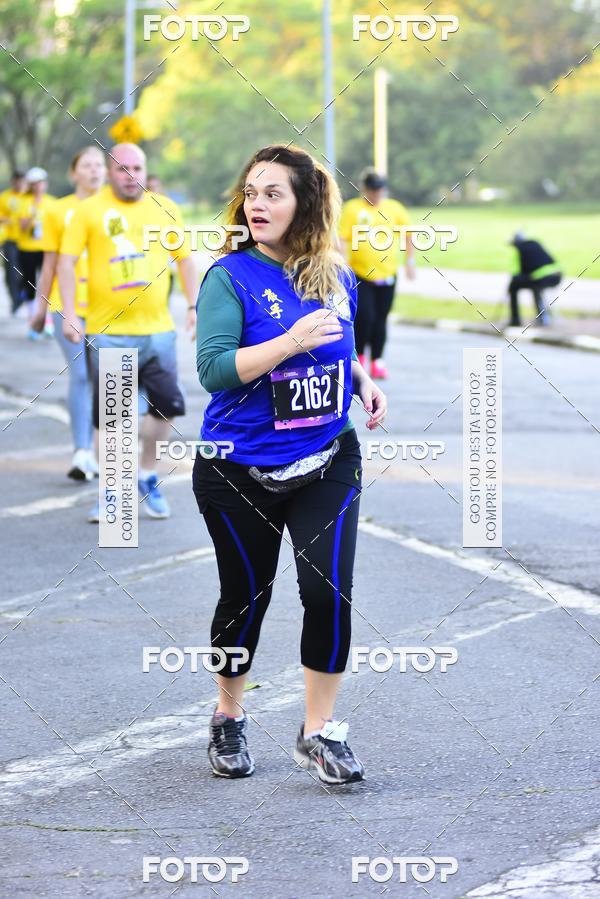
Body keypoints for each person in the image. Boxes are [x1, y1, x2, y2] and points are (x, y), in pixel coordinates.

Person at [193, 144, 386, 784]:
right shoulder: (230, 276)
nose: (256, 204)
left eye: (273, 192)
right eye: (251, 192)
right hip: (237, 469)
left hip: (329, 457)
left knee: (327, 592)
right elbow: (215, 371)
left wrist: (360, 381)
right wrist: (288, 342)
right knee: (245, 599)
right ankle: (228, 715)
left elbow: (337, 344)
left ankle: (320, 732)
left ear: (307, 201)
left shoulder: (335, 272)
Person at [58, 143, 198, 521]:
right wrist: (70, 313)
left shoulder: (164, 207)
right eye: (123, 168)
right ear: (110, 170)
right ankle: (112, 497)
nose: (130, 174)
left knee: (168, 406)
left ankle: (146, 472)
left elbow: (184, 260)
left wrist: (192, 304)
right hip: (110, 332)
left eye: (137, 167)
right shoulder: (88, 210)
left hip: (158, 332)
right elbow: (66, 264)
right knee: (115, 419)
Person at [30, 147, 106, 481]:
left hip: (110, 307)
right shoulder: (57, 211)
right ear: (74, 173)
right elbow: (49, 263)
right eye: (87, 165)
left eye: (99, 165)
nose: (94, 170)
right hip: (69, 305)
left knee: (108, 379)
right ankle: (82, 453)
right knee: (80, 374)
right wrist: (40, 308)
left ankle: (109, 453)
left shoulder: (114, 209)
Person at [338, 168, 415, 379]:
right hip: (361, 274)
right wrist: (343, 262)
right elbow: (343, 237)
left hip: (387, 273)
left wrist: (410, 261)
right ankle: (360, 357)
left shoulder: (394, 208)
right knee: (365, 317)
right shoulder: (353, 208)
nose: (376, 194)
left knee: (381, 318)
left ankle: (378, 360)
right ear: (364, 190)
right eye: (372, 190)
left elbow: (408, 235)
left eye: (379, 190)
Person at [15, 167, 55, 336]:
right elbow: (22, 227)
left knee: (49, 285)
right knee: (30, 284)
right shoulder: (24, 202)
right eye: (35, 183)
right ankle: (33, 323)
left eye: (41, 182)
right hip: (27, 249)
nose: (39, 186)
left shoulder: (52, 202)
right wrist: (32, 213)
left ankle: (48, 322)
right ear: (31, 185)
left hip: (46, 249)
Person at [506, 231, 562, 327]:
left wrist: (514, 279)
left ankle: (515, 320)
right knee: (534, 285)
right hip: (557, 276)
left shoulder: (520, 249)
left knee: (514, 286)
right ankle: (542, 317)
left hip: (541, 278)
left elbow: (520, 271)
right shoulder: (536, 243)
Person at [0, 170, 26, 313]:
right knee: (11, 272)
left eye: (22, 180)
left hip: (27, 242)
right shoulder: (4, 197)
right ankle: (14, 300)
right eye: (17, 180)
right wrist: (10, 220)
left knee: (25, 272)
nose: (19, 183)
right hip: (9, 241)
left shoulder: (29, 197)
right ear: (12, 181)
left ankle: (22, 296)